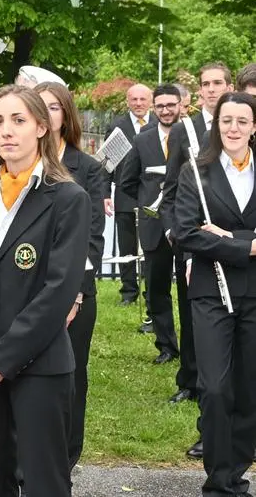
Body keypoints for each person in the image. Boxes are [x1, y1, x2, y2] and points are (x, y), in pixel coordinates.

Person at [0, 84, 90, 497]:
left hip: (39, 365)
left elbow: (59, 290)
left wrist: (3, 358)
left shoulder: (67, 198)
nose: (5, 131)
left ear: (42, 128)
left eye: (18, 120)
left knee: (45, 482)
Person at [174, 91, 256, 497]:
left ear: (254, 127)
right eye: (227, 121)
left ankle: (235, 478)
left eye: (242, 121)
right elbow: (186, 232)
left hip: (255, 293)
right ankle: (219, 482)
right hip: (211, 292)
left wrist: (227, 238)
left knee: (249, 387)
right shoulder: (196, 171)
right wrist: (250, 245)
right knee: (215, 387)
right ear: (216, 124)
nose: (233, 128)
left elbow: (209, 236)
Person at [36, 81, 106, 469]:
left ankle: (64, 461)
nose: (47, 114)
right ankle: (27, 461)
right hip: (26, 289)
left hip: (75, 294)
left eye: (54, 107)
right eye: (39, 107)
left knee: (70, 377)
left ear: (66, 115)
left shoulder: (88, 168)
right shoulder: (18, 165)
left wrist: (74, 293)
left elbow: (91, 237)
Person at [160, 64, 232, 435]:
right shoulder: (186, 133)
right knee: (192, 319)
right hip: (194, 246)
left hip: (239, 246)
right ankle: (191, 381)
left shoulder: (242, 126)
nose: (211, 89)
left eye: (218, 83)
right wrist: (176, 234)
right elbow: (170, 192)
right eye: (205, 85)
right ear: (198, 92)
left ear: (229, 86)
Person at [121, 85, 183, 365]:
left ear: (181, 105)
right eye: (161, 106)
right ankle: (167, 346)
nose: (166, 110)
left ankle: (196, 346)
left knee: (190, 289)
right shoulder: (142, 140)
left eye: (171, 105)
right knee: (157, 290)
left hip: (186, 224)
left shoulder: (193, 137)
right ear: (153, 108)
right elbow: (126, 182)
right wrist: (148, 205)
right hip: (154, 227)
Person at [104, 83, 153, 306]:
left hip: (153, 194)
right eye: (134, 99)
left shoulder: (159, 124)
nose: (139, 104)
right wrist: (104, 193)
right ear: (127, 102)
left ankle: (151, 290)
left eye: (143, 99)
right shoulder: (117, 126)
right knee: (127, 246)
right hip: (125, 194)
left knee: (152, 245)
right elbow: (107, 165)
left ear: (150, 101)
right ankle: (128, 291)